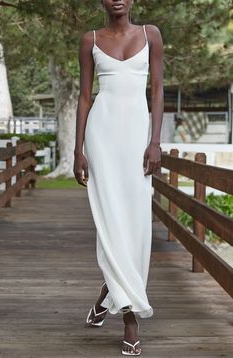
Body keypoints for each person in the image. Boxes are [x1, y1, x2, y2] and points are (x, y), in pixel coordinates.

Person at [73, 0, 164, 355]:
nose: (117, 0)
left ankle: (104, 296)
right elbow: (83, 97)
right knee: (110, 224)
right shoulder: (89, 39)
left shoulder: (150, 34)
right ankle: (130, 318)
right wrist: (78, 149)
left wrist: (155, 141)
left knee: (136, 222)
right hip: (102, 137)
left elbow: (157, 91)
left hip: (138, 138)